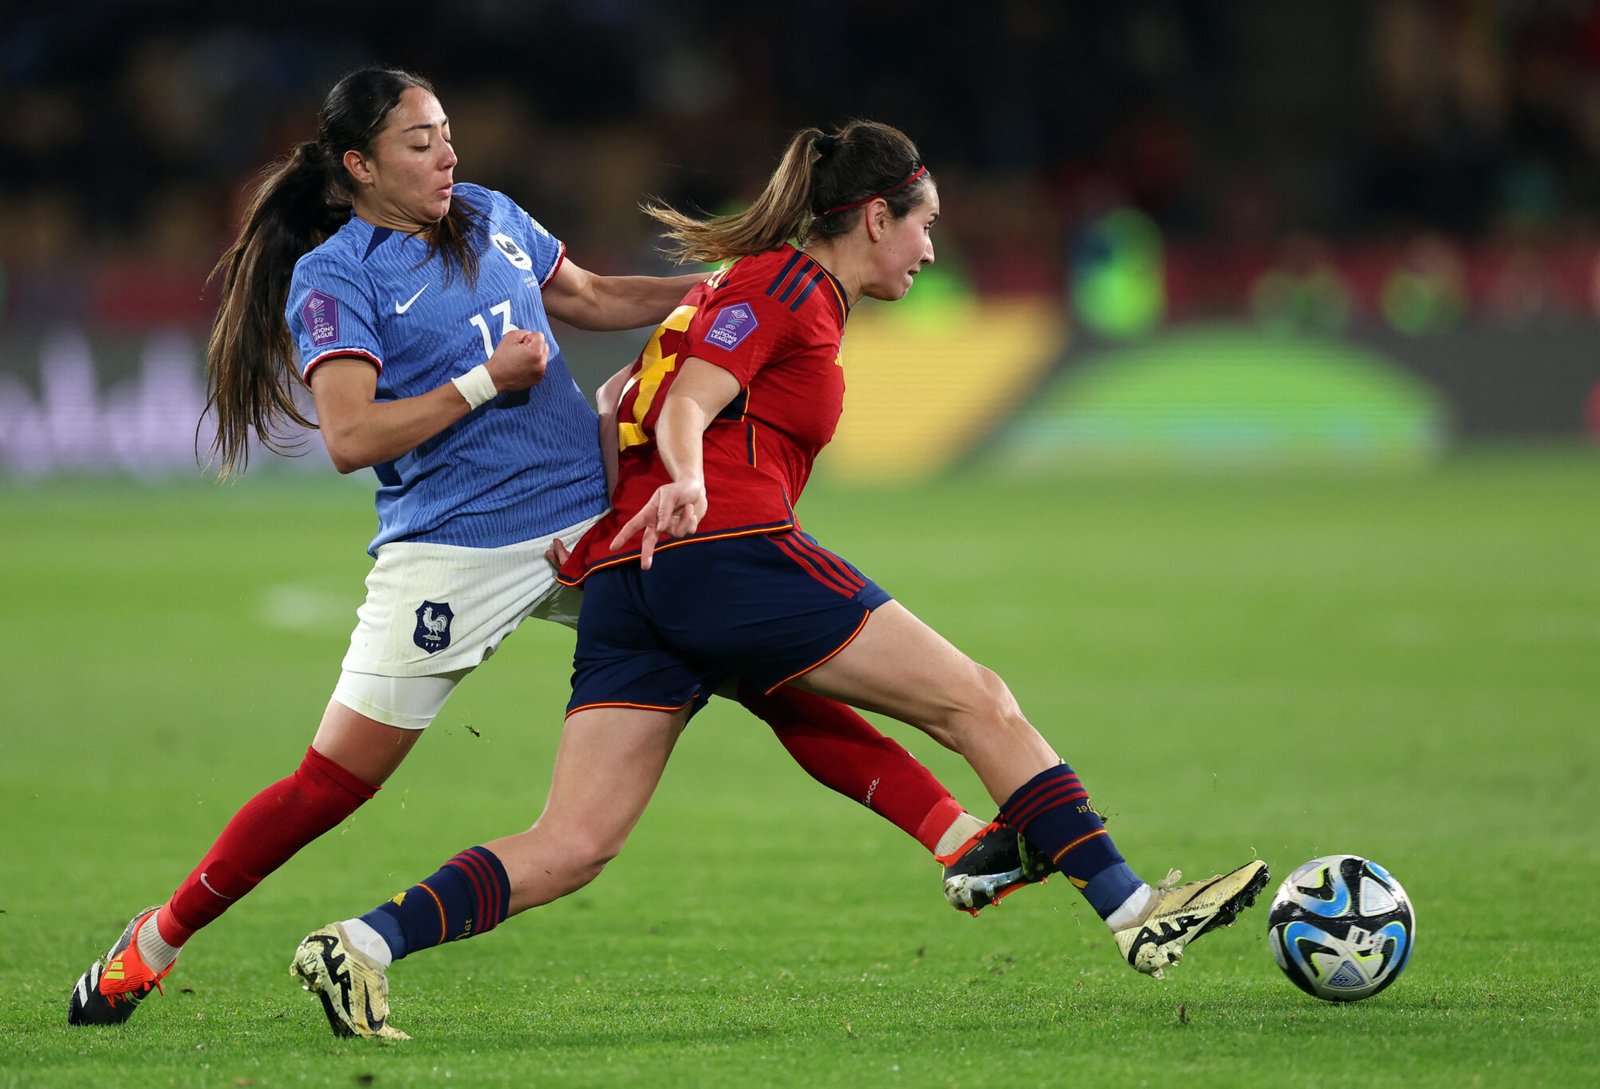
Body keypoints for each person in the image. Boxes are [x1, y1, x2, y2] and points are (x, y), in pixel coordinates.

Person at [66, 69, 1044, 1030]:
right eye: (419, 141)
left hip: (589, 507)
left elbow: (585, 295)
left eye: (446, 131)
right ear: (359, 165)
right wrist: (486, 382)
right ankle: (152, 943)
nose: (447, 151)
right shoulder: (334, 279)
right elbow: (351, 438)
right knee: (335, 783)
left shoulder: (488, 213)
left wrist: (709, 299)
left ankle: (956, 837)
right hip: (451, 550)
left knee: (755, 647)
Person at [289, 118, 1270, 1041]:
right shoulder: (788, 284)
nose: (930, 251)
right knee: (976, 702)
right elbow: (683, 404)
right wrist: (680, 482)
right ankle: (1133, 909)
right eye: (922, 226)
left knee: (575, 841)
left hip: (635, 579)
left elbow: (621, 393)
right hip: (726, 546)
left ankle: (363, 943)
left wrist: (619, 515)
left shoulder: (745, 291)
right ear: (875, 217)